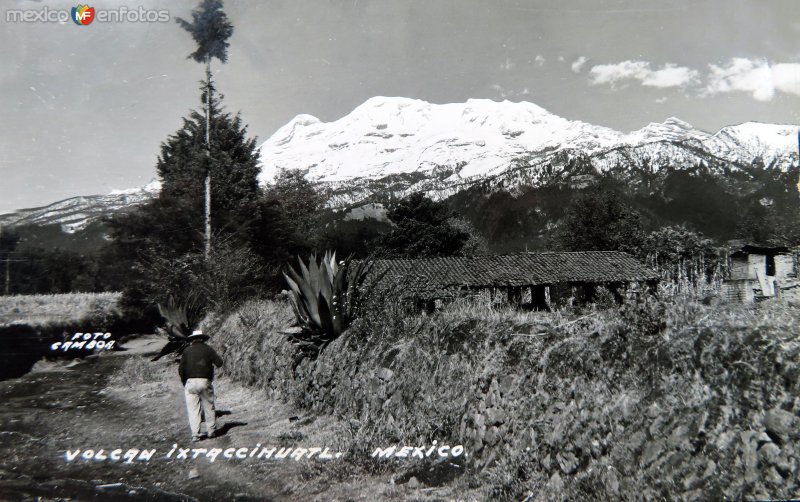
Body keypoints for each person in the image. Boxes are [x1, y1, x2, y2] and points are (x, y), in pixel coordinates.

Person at [178, 329, 224, 442]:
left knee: (193, 409)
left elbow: (181, 369)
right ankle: (211, 431)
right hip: (205, 381)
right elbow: (219, 362)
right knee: (209, 406)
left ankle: (195, 434)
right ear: (202, 339)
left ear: (192, 340)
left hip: (190, 383)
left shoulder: (187, 351)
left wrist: (185, 382)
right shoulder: (208, 349)